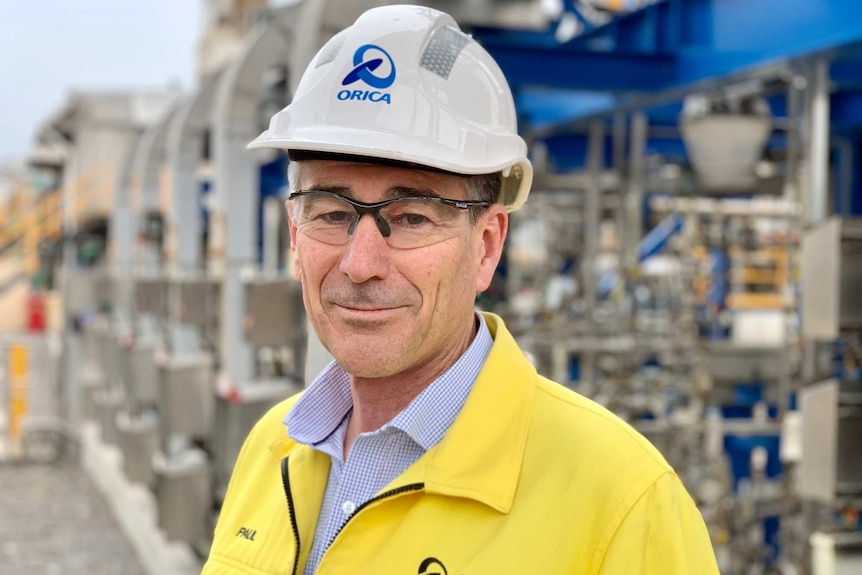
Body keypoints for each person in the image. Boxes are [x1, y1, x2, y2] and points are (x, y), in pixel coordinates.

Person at [202, 5, 720, 575]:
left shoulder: (622, 503)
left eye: (412, 218)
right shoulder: (270, 451)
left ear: (488, 245)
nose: (360, 263)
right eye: (329, 212)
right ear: (294, 238)